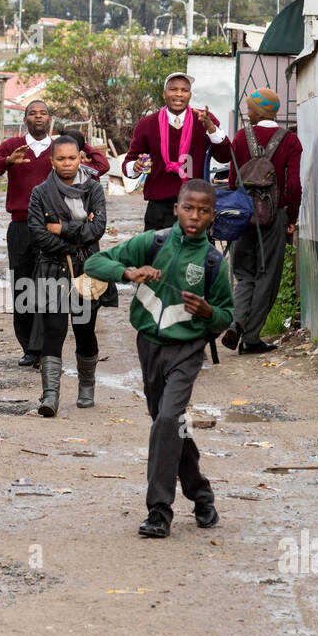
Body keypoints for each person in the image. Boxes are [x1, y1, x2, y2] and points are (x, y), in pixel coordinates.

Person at [84, 179, 234, 539]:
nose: (194, 216)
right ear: (176, 208)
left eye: (203, 210)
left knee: (168, 418)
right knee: (168, 424)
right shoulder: (153, 243)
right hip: (148, 345)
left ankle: (159, 510)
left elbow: (227, 316)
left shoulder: (213, 262)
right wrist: (127, 273)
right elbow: (93, 262)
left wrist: (208, 311)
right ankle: (201, 495)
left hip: (188, 350)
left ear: (213, 216)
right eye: (188, 208)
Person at [0, 100, 109, 367]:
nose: (38, 117)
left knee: (50, 289)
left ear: (50, 119)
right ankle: (29, 348)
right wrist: (6, 161)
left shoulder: (61, 149)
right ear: (25, 119)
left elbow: (100, 167)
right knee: (23, 287)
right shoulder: (13, 146)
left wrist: (80, 143)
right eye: (33, 114)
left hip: (56, 229)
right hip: (22, 226)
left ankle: (44, 348)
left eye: (44, 113)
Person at [26, 134, 116, 415]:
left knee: (84, 329)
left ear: (81, 159)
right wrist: (78, 235)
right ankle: (49, 396)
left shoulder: (93, 190)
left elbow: (97, 229)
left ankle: (86, 386)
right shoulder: (40, 193)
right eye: (61, 158)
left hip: (87, 268)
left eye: (72, 158)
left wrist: (62, 227)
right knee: (53, 330)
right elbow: (39, 234)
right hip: (52, 268)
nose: (67, 163)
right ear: (52, 161)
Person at [221, 88, 302, 355]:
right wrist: (291, 217)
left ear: (260, 110)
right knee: (266, 277)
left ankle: (237, 322)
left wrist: (241, 206)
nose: (247, 110)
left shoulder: (241, 137)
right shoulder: (290, 141)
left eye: (250, 107)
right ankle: (250, 338)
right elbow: (293, 184)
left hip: (243, 214)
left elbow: (233, 181)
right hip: (274, 216)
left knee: (243, 274)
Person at [122, 72, 231, 229]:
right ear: (164, 93)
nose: (179, 94)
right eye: (173, 89)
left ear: (190, 94)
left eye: (184, 90)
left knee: (193, 253)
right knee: (158, 252)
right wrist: (135, 166)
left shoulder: (204, 120)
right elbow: (128, 163)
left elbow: (225, 156)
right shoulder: (147, 124)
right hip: (158, 207)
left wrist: (211, 129)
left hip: (195, 206)